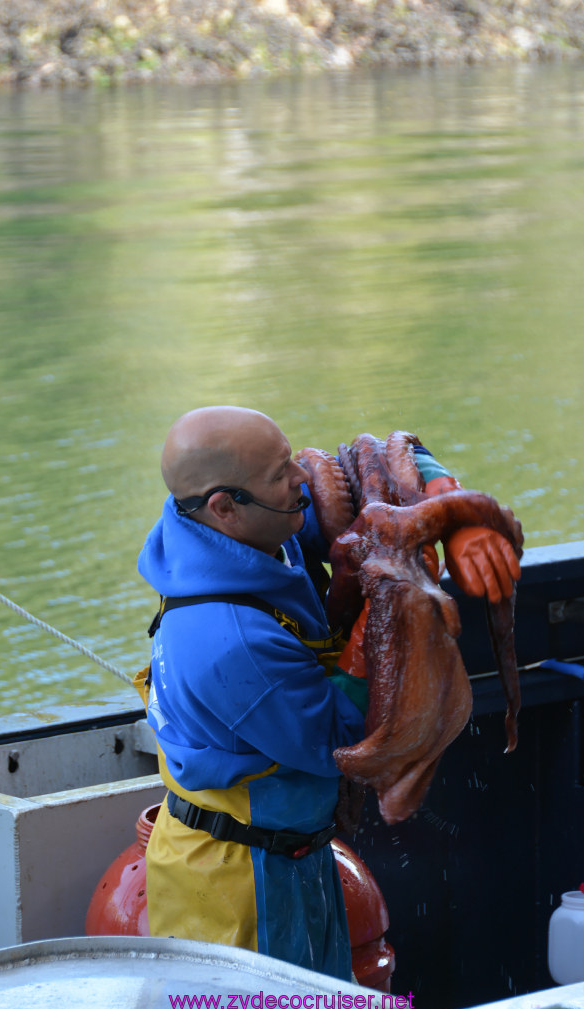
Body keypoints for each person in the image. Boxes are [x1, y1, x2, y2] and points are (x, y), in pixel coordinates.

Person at [136, 406, 520, 979]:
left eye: (289, 458)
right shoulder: (229, 644)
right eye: (279, 473)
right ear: (224, 506)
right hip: (237, 883)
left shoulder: (256, 525)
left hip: (298, 855)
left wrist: (450, 502)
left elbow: (365, 468)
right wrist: (382, 618)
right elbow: (345, 741)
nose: (300, 479)